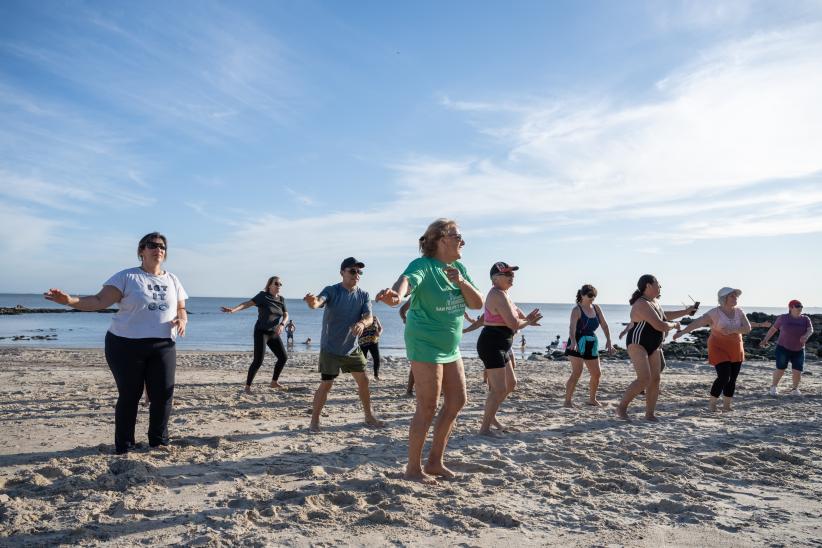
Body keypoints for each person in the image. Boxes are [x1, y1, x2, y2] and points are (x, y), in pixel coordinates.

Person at [44, 232, 187, 454]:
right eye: (152, 245)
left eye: (162, 246)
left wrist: (183, 319)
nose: (158, 249)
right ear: (141, 251)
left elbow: (180, 307)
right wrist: (70, 301)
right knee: (131, 394)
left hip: (163, 344)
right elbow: (99, 301)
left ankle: (158, 441)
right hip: (125, 345)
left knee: (163, 394)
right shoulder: (127, 277)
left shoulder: (173, 279)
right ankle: (125, 445)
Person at [376, 219, 483, 483]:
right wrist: (395, 296)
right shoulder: (422, 265)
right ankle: (413, 468)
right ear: (442, 239)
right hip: (424, 343)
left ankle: (435, 462)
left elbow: (477, 303)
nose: (463, 242)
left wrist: (461, 281)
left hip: (450, 347)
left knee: (457, 401)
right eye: (458, 236)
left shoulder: (458, 268)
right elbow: (405, 284)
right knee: (427, 406)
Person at [304, 257, 384, 431]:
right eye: (353, 271)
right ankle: (314, 420)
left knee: (364, 380)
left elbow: (369, 317)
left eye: (359, 272)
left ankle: (369, 416)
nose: (357, 275)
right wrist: (313, 303)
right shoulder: (332, 290)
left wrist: (362, 323)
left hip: (352, 348)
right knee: (327, 384)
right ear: (342, 272)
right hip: (330, 347)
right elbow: (318, 301)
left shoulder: (363, 295)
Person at [616, 274, 697, 421]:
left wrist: (686, 311)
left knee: (655, 379)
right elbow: (660, 325)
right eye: (658, 284)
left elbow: (663, 315)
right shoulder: (641, 303)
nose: (660, 286)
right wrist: (676, 325)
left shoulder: (654, 301)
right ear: (648, 286)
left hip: (654, 345)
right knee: (644, 379)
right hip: (637, 343)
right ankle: (621, 408)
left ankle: (649, 414)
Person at [473, 262, 541, 436]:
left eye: (512, 274)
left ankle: (491, 415)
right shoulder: (496, 294)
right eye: (507, 274)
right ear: (495, 278)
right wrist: (528, 322)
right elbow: (513, 323)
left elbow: (516, 312)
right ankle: (485, 429)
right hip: (492, 344)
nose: (512, 277)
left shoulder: (504, 293)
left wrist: (527, 318)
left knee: (510, 384)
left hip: (502, 344)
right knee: (499, 389)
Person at [673, 287, 751, 411]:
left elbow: (747, 328)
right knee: (724, 376)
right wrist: (682, 333)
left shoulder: (739, 312)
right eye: (732, 296)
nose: (736, 298)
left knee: (733, 378)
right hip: (718, 346)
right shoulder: (714, 313)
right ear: (724, 298)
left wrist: (732, 330)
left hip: (736, 347)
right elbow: (697, 323)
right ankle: (712, 404)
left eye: (736, 296)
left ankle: (727, 406)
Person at [220, 276, 289, 393]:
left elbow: (286, 315)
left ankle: (274, 382)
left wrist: (282, 324)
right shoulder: (263, 296)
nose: (279, 286)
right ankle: (247, 387)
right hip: (261, 332)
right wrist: (233, 310)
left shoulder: (281, 299)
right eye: (276, 283)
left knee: (283, 357)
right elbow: (247, 304)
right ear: (270, 285)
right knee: (258, 360)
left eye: (280, 284)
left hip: (273, 333)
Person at [564, 284, 613, 408]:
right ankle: (567, 401)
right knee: (577, 372)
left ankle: (592, 399)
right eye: (590, 295)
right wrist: (573, 341)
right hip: (577, 341)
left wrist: (609, 340)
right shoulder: (577, 310)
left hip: (591, 341)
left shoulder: (596, 308)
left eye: (594, 296)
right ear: (582, 295)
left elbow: (605, 325)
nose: (593, 298)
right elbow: (572, 328)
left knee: (597, 373)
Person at [760, 300, 813, 396]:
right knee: (780, 369)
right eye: (797, 306)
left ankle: (795, 389)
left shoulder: (805, 319)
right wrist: (765, 340)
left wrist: (806, 336)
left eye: (801, 306)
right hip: (783, 348)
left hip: (799, 349)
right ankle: (774, 387)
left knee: (797, 371)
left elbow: (810, 330)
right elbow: (773, 329)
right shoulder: (783, 318)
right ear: (790, 308)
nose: (800, 308)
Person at [359, 315, 384, 379]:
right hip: (363, 342)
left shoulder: (375, 317)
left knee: (377, 358)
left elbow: (380, 328)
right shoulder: (360, 318)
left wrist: (379, 333)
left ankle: (376, 375)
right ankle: (362, 375)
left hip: (374, 341)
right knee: (363, 360)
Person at [400, 300, 415, 396]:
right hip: (416, 333)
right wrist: (405, 319)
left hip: (433, 333)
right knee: (416, 362)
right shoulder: (416, 294)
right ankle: (409, 390)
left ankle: (441, 390)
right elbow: (402, 310)